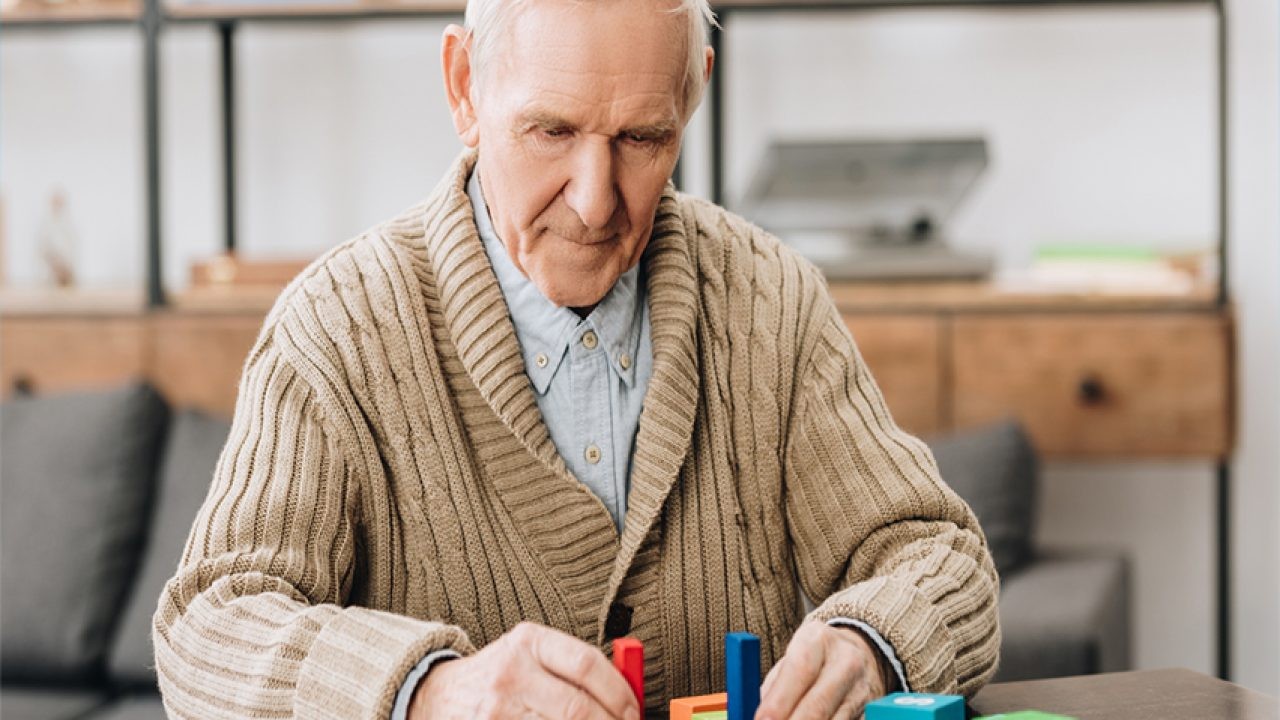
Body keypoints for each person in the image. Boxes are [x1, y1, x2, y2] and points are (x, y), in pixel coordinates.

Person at [152, 0, 1000, 717]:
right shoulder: (336, 328)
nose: (596, 202)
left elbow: (941, 558)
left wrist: (874, 641)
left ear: (693, 91)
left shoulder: (769, 300)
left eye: (641, 138)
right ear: (463, 88)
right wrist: (431, 692)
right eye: (550, 131)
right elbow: (206, 629)